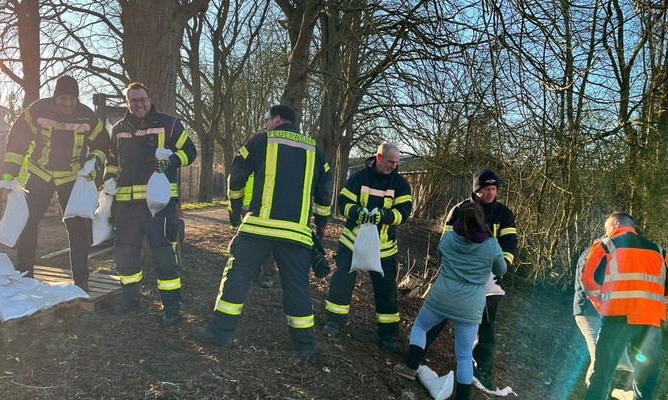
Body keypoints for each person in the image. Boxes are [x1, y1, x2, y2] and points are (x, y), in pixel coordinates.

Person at [192, 104, 332, 360]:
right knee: (297, 288)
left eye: (268, 119)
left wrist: (235, 209)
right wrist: (321, 225)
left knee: (236, 277)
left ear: (277, 119)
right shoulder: (316, 150)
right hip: (296, 234)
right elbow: (324, 193)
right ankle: (305, 347)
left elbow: (236, 175)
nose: (266, 124)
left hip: (257, 228)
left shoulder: (260, 141)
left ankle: (221, 333)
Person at [0, 75, 110, 291]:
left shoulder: (88, 116)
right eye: (63, 99)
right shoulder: (37, 110)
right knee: (28, 221)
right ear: (55, 97)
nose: (67, 103)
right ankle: (24, 271)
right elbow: (18, 139)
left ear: (77, 99)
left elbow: (102, 144)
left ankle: (81, 279)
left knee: (77, 226)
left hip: (72, 177)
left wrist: (94, 163)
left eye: (72, 99)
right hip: (41, 174)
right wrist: (9, 172)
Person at [106, 82, 197, 326]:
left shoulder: (170, 123)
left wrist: (171, 162)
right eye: (133, 100)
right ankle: (130, 299)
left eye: (143, 99)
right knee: (125, 254)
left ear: (150, 99)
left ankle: (172, 308)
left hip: (159, 205)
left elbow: (190, 151)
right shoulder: (117, 129)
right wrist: (108, 178)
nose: (139, 104)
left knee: (163, 255)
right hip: (126, 205)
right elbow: (111, 160)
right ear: (127, 102)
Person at [394, 202, 506, 400]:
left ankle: (410, 367)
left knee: (420, 326)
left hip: (442, 297)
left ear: (460, 219)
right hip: (470, 305)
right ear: (482, 220)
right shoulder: (491, 244)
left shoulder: (449, 237)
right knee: (463, 354)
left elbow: (440, 256)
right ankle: (463, 397)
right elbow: (501, 270)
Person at [426, 168, 517, 390]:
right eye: (487, 189)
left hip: (490, 280)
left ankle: (483, 369)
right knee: (441, 313)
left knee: (486, 324)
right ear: (476, 190)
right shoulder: (459, 211)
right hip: (457, 277)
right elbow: (446, 243)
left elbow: (510, 245)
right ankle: (418, 352)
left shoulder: (504, 214)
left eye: (494, 189)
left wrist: (500, 269)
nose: (491, 193)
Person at [322, 142, 412, 353]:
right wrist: (356, 212)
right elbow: (343, 202)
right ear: (378, 158)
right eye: (390, 162)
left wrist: (386, 216)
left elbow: (404, 212)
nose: (394, 166)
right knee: (341, 283)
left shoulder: (400, 184)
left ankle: (388, 334)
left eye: (397, 162)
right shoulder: (359, 178)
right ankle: (334, 321)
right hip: (352, 242)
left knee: (387, 292)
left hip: (384, 248)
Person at [581, 212, 667, 400]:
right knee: (645, 379)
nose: (606, 233)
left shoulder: (606, 246)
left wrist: (602, 306)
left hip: (617, 320)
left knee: (602, 374)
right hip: (651, 324)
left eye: (607, 228)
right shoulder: (660, 252)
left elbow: (588, 281)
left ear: (616, 224)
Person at [573, 240, 633, 387]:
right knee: (598, 357)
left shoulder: (612, 257)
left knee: (602, 357)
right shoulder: (592, 253)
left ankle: (598, 392)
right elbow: (586, 282)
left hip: (603, 314)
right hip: (588, 312)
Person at [228, 171, 277, 289]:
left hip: (264, 210)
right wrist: (232, 209)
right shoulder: (244, 161)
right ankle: (252, 273)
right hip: (244, 211)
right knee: (246, 244)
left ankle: (268, 275)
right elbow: (233, 184)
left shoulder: (268, 161)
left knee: (265, 242)